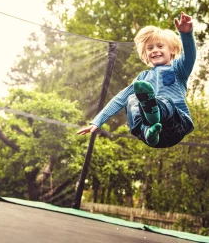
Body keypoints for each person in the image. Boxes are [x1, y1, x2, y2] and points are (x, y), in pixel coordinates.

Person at [76, 12, 197, 148]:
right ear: (145, 54)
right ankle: (148, 131)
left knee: (165, 101)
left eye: (160, 46)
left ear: (172, 50)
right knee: (132, 99)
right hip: (156, 135)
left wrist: (187, 34)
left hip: (176, 125)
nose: (155, 50)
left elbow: (190, 56)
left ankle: (154, 112)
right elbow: (119, 99)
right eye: (150, 48)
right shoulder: (143, 79)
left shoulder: (178, 68)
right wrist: (97, 121)